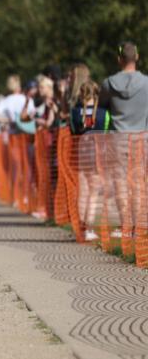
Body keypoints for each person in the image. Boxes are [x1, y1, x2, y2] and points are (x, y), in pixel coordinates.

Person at [99, 41, 148, 241]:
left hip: (117, 138)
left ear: (119, 59)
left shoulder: (109, 83)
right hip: (141, 138)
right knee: (138, 182)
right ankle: (137, 227)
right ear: (136, 57)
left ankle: (124, 225)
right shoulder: (146, 83)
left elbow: (102, 108)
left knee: (119, 183)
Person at [69, 80, 111, 242]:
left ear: (81, 94)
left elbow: (73, 131)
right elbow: (106, 133)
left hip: (80, 153)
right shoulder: (104, 113)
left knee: (83, 191)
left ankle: (80, 228)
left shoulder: (74, 112)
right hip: (97, 154)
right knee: (94, 193)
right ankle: (89, 228)